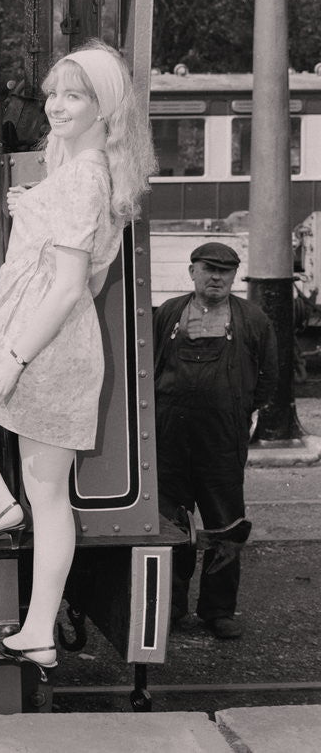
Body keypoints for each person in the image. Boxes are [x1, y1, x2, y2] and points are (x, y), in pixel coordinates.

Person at [0, 40, 156, 680]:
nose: (55, 105)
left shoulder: (83, 177)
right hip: (61, 344)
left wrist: (14, 357)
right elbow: (81, 273)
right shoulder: (88, 172)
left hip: (39, 343)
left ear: (105, 107)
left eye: (73, 95)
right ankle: (38, 633)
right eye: (53, 93)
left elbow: (74, 285)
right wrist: (35, 211)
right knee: (50, 496)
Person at [153, 241, 278, 640]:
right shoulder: (169, 313)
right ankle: (170, 608)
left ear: (234, 276)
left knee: (226, 525)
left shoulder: (253, 320)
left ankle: (218, 610)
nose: (217, 277)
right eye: (209, 269)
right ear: (192, 271)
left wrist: (237, 412)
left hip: (223, 440)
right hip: (169, 436)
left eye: (226, 271)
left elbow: (269, 378)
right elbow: (147, 366)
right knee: (171, 525)